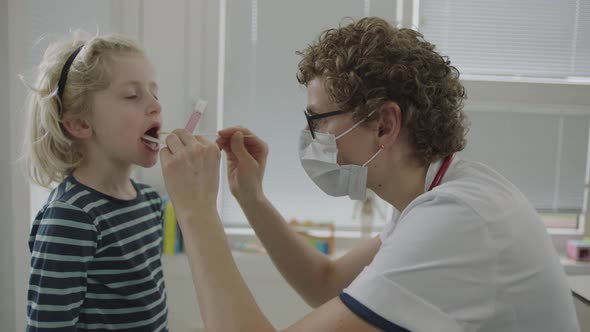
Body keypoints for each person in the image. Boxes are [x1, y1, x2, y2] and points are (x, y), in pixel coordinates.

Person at [160, 17, 579, 331]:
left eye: (318, 120)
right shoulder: (440, 194)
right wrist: (250, 198)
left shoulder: (459, 220)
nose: (311, 137)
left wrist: (196, 213)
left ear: (383, 125)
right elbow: (326, 283)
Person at [24, 32, 168, 331]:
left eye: (155, 93)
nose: (156, 106)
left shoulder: (150, 202)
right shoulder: (71, 217)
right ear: (80, 123)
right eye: (132, 95)